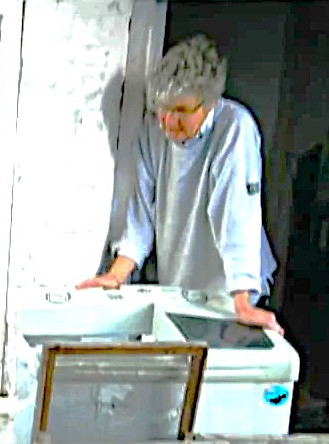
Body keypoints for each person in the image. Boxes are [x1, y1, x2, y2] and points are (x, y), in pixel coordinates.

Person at [78, 34, 284, 335]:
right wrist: (116, 275)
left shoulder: (235, 130)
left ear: (210, 103)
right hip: (180, 283)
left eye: (181, 111)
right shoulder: (152, 132)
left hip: (234, 286)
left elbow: (237, 215)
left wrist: (242, 302)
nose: (168, 122)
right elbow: (140, 214)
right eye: (163, 109)